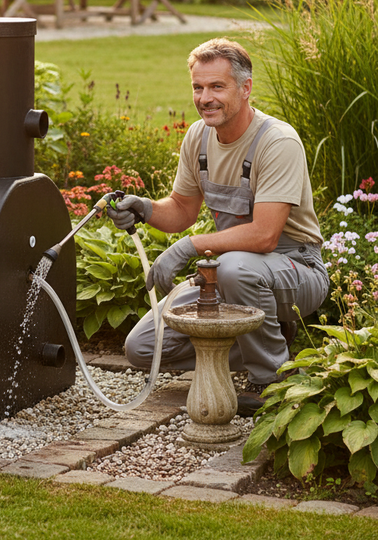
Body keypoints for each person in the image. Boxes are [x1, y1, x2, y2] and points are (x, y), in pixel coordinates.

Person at [108, 38, 329, 415]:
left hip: (297, 269)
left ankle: (272, 381)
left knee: (234, 269)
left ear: (245, 88)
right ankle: (264, 338)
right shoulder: (199, 137)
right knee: (142, 348)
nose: (205, 97)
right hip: (231, 272)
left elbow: (264, 235)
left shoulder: (276, 141)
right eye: (198, 87)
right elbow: (181, 209)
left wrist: (186, 247)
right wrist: (143, 207)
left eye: (217, 87)